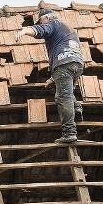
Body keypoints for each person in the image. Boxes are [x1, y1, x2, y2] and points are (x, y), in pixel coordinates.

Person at [15, 8, 84, 143]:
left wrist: (24, 31)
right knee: (67, 91)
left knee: (62, 98)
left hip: (64, 64)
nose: (41, 24)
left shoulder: (53, 24)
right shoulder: (68, 28)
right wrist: (54, 78)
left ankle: (69, 133)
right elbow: (69, 55)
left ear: (46, 18)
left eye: (41, 21)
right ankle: (76, 108)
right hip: (77, 64)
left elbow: (40, 31)